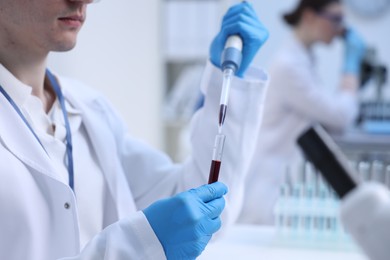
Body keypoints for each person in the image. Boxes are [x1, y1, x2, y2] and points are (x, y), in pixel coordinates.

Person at [0, 0, 269, 259]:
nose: (84, 1)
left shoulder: (90, 108)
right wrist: (137, 248)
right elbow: (149, 240)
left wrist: (229, 81)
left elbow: (194, 201)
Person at [238, 0, 366, 224]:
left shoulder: (302, 60)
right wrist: (350, 68)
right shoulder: (289, 67)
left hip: (281, 182)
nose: (340, 29)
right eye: (335, 19)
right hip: (267, 191)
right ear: (309, 16)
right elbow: (340, 117)